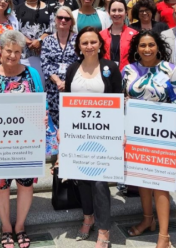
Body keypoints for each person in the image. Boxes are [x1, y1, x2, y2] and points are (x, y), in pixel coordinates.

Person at [0, 30, 46, 248]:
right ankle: (6, 228)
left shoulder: (32, 73)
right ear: (0, 50)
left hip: (26, 142)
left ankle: (20, 226)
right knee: (1, 186)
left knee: (25, 185)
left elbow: (41, 101)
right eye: (8, 51)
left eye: (17, 51)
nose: (12, 55)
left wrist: (42, 117)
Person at [122, 30, 176, 248]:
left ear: (158, 46)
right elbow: (123, 100)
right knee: (142, 180)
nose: (147, 49)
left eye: (151, 45)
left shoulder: (170, 70)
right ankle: (148, 220)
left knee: (160, 183)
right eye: (142, 45)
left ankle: (164, 236)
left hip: (163, 134)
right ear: (136, 48)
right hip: (137, 133)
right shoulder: (128, 70)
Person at [64, 26, 122, 248]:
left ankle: (104, 229)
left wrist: (121, 132)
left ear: (100, 44)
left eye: (93, 42)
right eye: (84, 43)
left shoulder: (110, 67)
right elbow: (66, 100)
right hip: (78, 132)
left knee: (99, 182)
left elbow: (118, 99)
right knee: (81, 178)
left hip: (105, 134)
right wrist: (64, 130)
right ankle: (88, 217)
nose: (89, 46)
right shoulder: (72, 69)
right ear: (79, 46)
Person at [40, 6, 79, 126]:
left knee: (73, 121)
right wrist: (58, 81)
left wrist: (67, 82)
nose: (63, 21)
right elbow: (45, 63)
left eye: (67, 19)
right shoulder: (47, 40)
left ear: (71, 22)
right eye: (60, 17)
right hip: (53, 88)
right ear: (55, 20)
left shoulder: (78, 40)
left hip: (73, 87)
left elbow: (81, 63)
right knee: (53, 123)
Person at [15, 0, 53, 86]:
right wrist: (28, 42)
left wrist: (39, 41)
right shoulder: (17, 9)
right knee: (25, 85)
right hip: (24, 55)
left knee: (41, 85)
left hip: (43, 53)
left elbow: (52, 28)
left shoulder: (48, 8)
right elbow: (15, 28)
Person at [100, 0, 137, 72]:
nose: (116, 13)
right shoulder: (101, 35)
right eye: (113, 10)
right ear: (109, 12)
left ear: (126, 13)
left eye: (120, 10)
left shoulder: (135, 35)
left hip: (127, 74)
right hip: (106, 74)